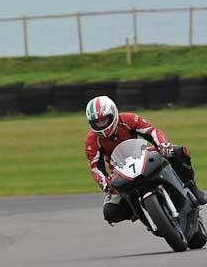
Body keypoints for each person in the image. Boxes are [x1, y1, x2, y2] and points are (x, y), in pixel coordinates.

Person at [84, 95, 207, 224]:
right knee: (110, 212)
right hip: (119, 172)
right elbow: (96, 168)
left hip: (142, 155)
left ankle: (192, 188)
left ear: (113, 114)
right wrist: (105, 182)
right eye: (97, 122)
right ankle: (138, 210)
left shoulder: (128, 119)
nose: (101, 125)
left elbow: (152, 132)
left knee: (177, 152)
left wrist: (162, 145)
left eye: (103, 120)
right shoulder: (92, 141)